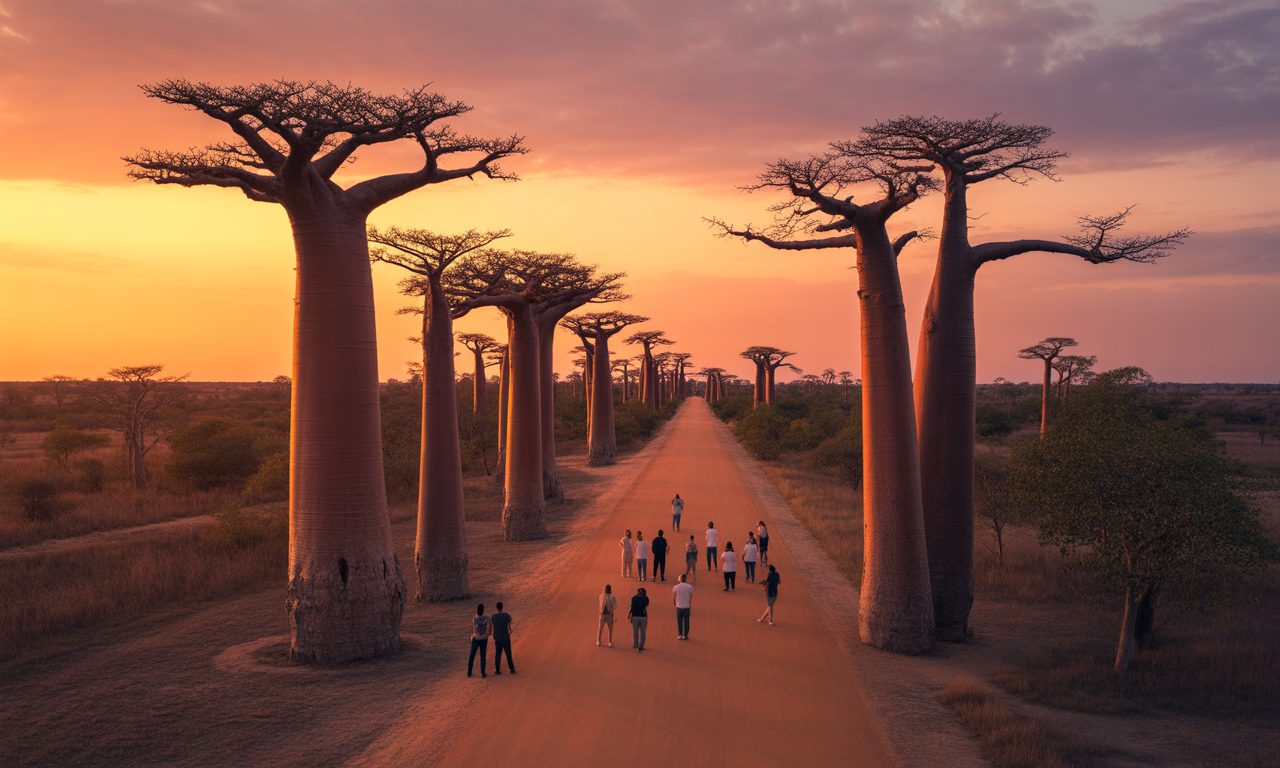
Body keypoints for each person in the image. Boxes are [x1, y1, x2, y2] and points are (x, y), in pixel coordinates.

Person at [491, 601, 515, 675]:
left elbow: (492, 626)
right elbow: (511, 621)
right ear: (502, 607)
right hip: (506, 637)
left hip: (498, 638)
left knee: (498, 654)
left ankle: (497, 670)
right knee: (508, 654)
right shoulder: (506, 615)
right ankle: (512, 669)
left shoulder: (493, 617)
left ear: (497, 608)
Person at [467, 603, 491, 678]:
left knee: (472, 656)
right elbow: (489, 628)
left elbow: (473, 627)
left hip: (475, 639)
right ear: (483, 610)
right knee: (483, 656)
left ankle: (469, 673)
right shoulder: (486, 617)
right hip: (483, 639)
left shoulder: (474, 617)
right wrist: (487, 634)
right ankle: (483, 673)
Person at [672, 574, 694, 640]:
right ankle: (685, 635)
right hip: (687, 607)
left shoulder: (675, 587)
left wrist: (675, 603)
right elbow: (690, 596)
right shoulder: (690, 587)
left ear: (680, 579)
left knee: (679, 621)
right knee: (687, 621)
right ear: (685, 579)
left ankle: (680, 634)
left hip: (679, 606)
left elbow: (674, 597)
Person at [628, 587, 650, 652]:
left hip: (635, 616)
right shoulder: (645, 598)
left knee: (635, 631)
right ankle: (641, 646)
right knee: (643, 632)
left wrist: (630, 615)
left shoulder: (633, 598)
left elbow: (631, 607)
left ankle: (635, 644)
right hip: (643, 617)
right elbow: (647, 604)